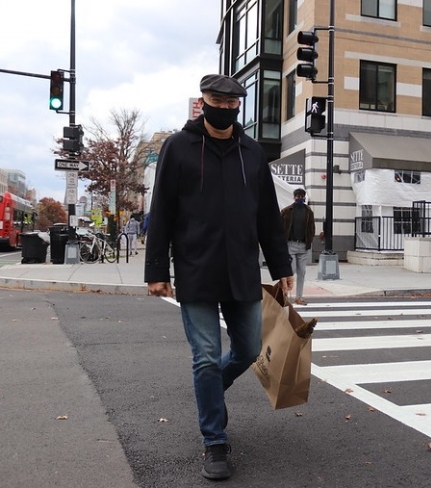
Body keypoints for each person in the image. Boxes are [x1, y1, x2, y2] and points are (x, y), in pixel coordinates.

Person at [144, 73, 294, 481]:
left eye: (232, 103)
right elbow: (162, 211)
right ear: (203, 102)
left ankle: (210, 392)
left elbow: (267, 216)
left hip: (241, 270)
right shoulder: (178, 147)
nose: (225, 108)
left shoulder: (252, 151)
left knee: (248, 350)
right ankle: (214, 440)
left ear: (238, 106)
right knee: (206, 357)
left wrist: (282, 266)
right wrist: (156, 269)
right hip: (195, 269)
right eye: (217, 101)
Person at [280, 188, 316, 305]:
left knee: (302, 272)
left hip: (303, 245)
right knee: (291, 271)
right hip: (290, 244)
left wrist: (309, 241)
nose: (300, 198)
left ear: (304, 197)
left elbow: (312, 228)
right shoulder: (286, 211)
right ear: (294, 197)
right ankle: (284, 294)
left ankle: (298, 297)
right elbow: (280, 228)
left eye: (301, 196)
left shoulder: (308, 212)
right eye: (298, 196)